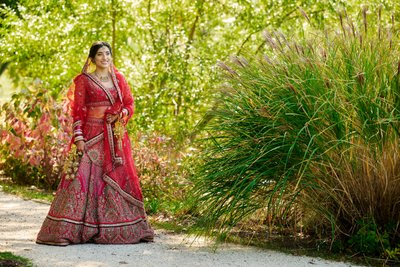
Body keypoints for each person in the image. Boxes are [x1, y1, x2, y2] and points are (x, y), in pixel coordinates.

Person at [36, 41, 154, 245]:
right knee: (79, 179)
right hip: (90, 136)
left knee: (114, 179)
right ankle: (66, 230)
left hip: (114, 139)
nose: (105, 58)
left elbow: (129, 104)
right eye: (100, 54)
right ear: (92, 58)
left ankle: (123, 228)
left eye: (108, 54)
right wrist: (79, 137)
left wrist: (120, 114)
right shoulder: (84, 80)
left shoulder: (119, 79)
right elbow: (78, 111)